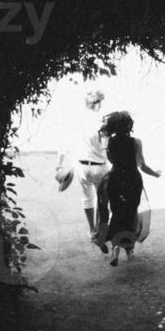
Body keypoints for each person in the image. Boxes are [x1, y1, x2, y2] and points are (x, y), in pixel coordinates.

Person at [94, 111, 162, 266]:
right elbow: (142, 165)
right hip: (132, 179)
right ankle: (129, 250)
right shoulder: (136, 142)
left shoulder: (109, 142)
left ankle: (116, 248)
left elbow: (111, 160)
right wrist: (155, 174)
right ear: (130, 125)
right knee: (130, 214)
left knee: (117, 212)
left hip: (115, 178)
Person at [56, 88, 110, 244]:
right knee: (102, 200)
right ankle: (100, 231)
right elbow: (106, 147)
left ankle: (92, 230)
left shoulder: (77, 121)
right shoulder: (102, 123)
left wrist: (59, 165)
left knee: (87, 197)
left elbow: (64, 145)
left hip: (82, 167)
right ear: (98, 103)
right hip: (100, 167)